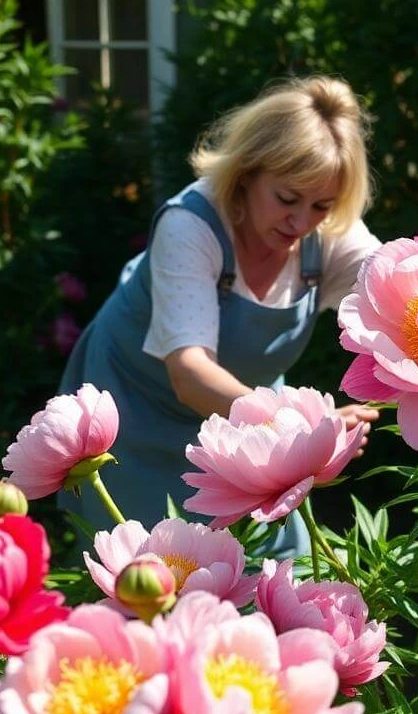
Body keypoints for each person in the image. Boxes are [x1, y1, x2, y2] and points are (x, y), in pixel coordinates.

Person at [59, 76, 381, 554]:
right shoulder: (189, 223)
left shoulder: (326, 226)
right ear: (247, 173)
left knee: (275, 568)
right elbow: (189, 374)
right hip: (141, 416)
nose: (302, 223)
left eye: (321, 205)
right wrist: (302, 427)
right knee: (157, 579)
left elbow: (392, 284)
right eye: (287, 199)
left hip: (251, 421)